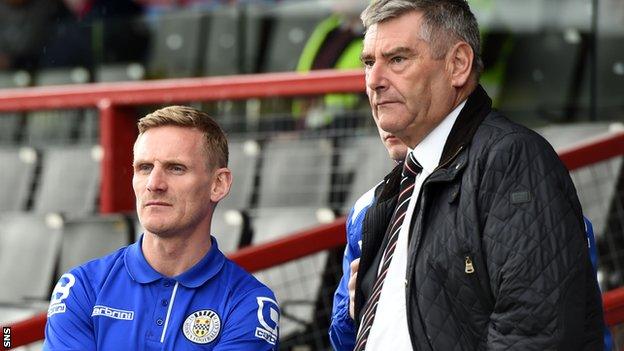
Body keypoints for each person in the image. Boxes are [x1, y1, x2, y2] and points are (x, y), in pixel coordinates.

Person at [351, 0, 605, 350]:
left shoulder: (511, 159)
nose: (375, 81)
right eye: (368, 63)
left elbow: (536, 335)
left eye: (397, 59)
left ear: (457, 65)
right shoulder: (401, 182)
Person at [44, 106, 280, 350]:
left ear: (218, 184)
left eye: (176, 168)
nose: (154, 184)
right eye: (144, 168)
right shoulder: (81, 286)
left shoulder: (248, 303)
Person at [329, 123, 407, 351]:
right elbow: (340, 338)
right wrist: (352, 313)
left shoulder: (469, 184)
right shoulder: (365, 207)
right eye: (378, 111)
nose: (387, 123)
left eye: (396, 105)